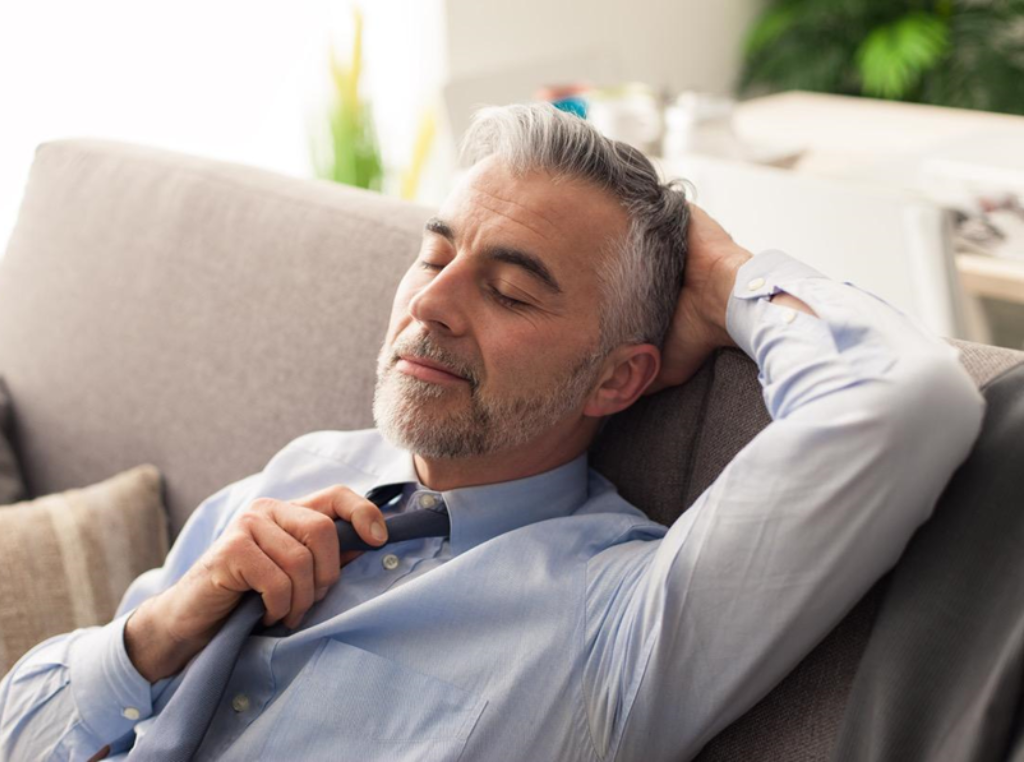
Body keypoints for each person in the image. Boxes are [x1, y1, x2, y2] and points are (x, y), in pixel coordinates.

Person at [0, 103, 984, 761]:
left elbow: (903, 399)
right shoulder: (303, 473)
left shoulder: (619, 620)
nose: (433, 303)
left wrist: (723, 273)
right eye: (432, 255)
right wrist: (157, 632)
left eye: (508, 288)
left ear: (619, 377)